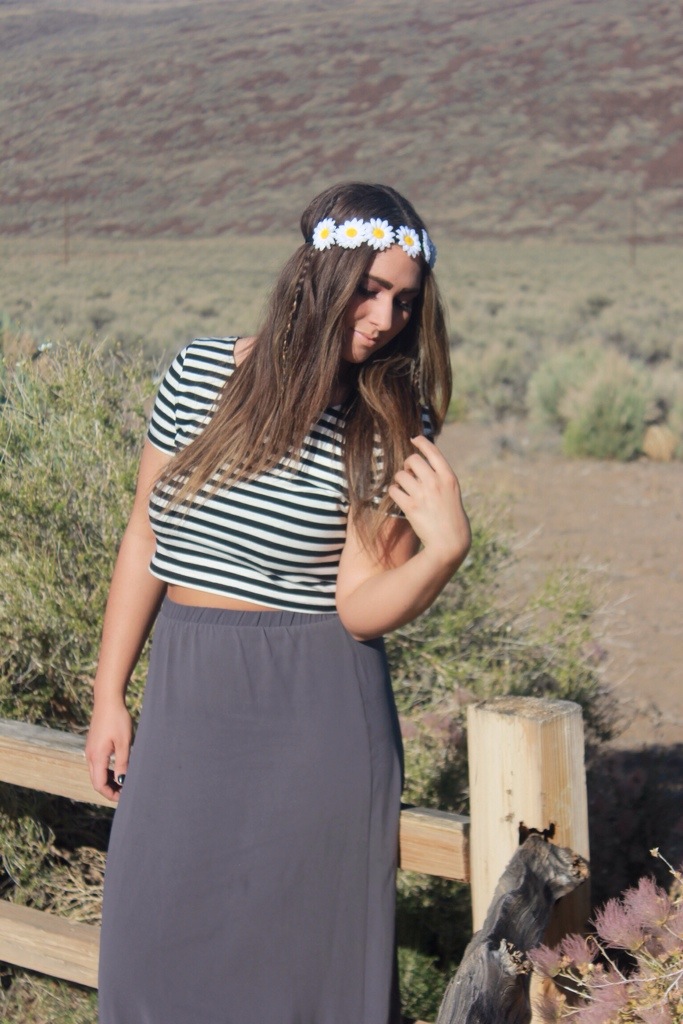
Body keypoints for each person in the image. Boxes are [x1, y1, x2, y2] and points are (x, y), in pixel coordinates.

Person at [86, 181, 471, 1024]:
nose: (385, 318)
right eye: (369, 289)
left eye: (405, 302)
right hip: (186, 701)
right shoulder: (197, 372)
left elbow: (360, 607)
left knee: (295, 982)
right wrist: (108, 692)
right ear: (318, 274)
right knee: (151, 954)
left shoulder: (387, 418)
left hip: (314, 719)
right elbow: (144, 534)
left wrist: (443, 552)